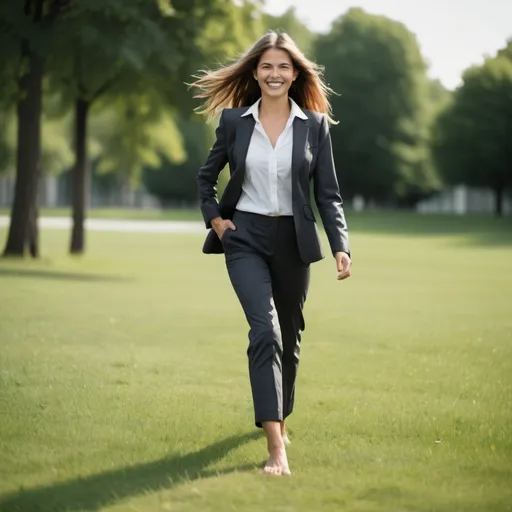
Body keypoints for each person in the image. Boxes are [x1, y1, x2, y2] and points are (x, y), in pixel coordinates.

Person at [191, 31, 351, 476]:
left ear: (295, 73)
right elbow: (206, 179)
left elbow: (329, 195)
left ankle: (278, 413)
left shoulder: (314, 126)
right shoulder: (234, 121)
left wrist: (341, 246)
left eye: (283, 66)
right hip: (245, 237)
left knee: (291, 336)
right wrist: (216, 220)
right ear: (255, 73)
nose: (274, 73)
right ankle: (276, 446)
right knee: (266, 331)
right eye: (266, 66)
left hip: (294, 241)